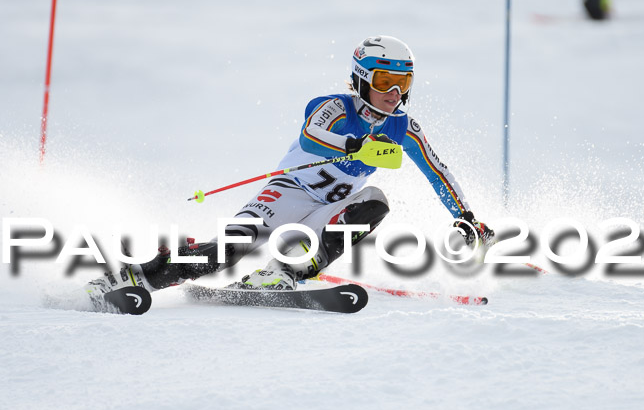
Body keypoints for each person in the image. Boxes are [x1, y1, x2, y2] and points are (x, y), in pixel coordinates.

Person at [88, 36, 494, 296]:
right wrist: (358, 145)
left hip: (329, 209)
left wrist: (467, 218)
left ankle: (282, 273)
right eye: (385, 81)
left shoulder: (403, 126)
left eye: (402, 85)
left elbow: (437, 171)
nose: (393, 94)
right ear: (362, 79)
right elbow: (311, 137)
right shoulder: (334, 107)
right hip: (287, 193)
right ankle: (136, 276)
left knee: (375, 202)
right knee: (228, 249)